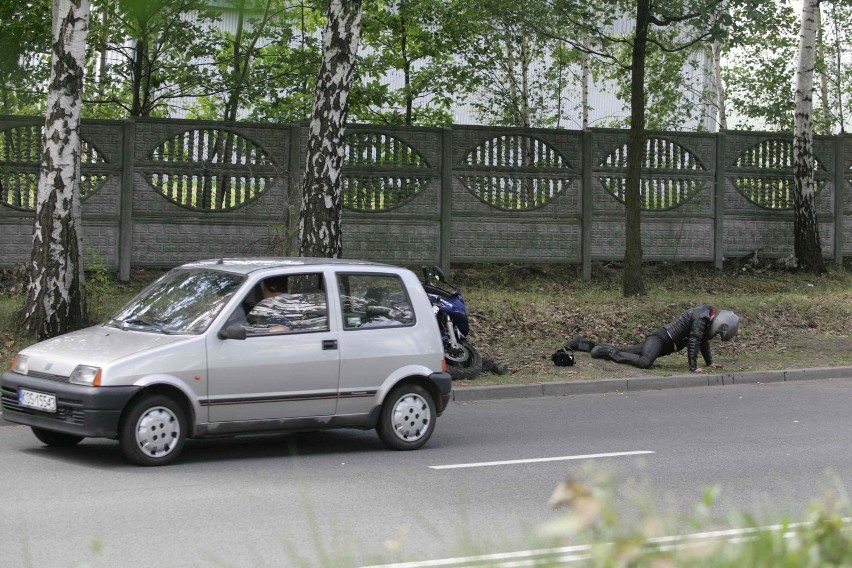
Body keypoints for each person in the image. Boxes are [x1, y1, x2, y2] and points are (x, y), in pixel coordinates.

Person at [569, 304, 739, 373]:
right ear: (721, 324)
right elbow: (694, 340)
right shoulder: (702, 316)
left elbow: (702, 341)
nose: (715, 335)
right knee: (644, 362)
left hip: (664, 345)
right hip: (660, 339)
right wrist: (693, 367)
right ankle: (607, 351)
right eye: (718, 333)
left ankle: (580, 343)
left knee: (627, 351)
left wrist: (709, 363)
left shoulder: (706, 317)